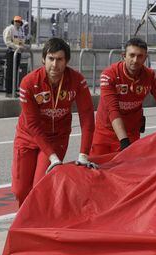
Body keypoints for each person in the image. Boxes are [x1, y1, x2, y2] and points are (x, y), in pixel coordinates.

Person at [12, 38, 97, 206]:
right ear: (43, 59)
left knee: (40, 186)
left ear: (66, 61)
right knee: (20, 190)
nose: (54, 64)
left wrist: (83, 154)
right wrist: (53, 157)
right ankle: (25, 225)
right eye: (51, 58)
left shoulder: (77, 81)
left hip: (57, 138)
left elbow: (87, 117)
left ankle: (39, 226)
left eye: (60, 59)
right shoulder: (28, 82)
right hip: (28, 137)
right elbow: (33, 125)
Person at [91, 37, 156, 155]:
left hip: (132, 132)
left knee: (128, 171)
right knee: (98, 170)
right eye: (132, 55)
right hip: (105, 132)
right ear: (124, 56)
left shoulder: (151, 76)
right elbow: (113, 110)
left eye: (140, 56)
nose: (135, 60)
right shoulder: (109, 75)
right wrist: (124, 142)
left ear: (146, 58)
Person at [3, 16, 28, 97]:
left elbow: (21, 41)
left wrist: (24, 46)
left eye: (19, 21)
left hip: (18, 53)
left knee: (15, 72)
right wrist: (17, 47)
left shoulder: (20, 30)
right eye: (16, 21)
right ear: (13, 21)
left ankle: (14, 90)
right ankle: (9, 92)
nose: (17, 22)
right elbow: (7, 42)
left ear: (20, 23)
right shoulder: (9, 29)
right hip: (11, 52)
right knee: (10, 72)